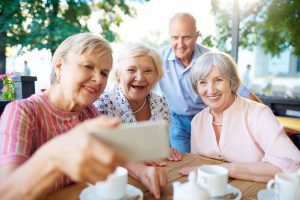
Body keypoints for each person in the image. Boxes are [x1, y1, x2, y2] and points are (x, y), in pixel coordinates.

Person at [0, 33, 166, 200]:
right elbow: (6, 193)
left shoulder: (89, 112)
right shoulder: (21, 111)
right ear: (59, 66)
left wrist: (144, 171)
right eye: (88, 66)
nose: (98, 79)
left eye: (104, 72)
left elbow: (113, 153)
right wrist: (56, 156)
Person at [179, 52, 300, 182]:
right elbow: (198, 166)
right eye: (203, 82)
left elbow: (290, 166)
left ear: (231, 82)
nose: (211, 90)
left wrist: (227, 169)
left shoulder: (259, 114)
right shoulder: (198, 121)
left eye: (218, 80)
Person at [156, 12, 261, 153]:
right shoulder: (157, 59)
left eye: (186, 37)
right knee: (182, 160)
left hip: (207, 118)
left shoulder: (210, 59)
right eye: (175, 37)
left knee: (210, 158)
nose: (180, 44)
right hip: (177, 120)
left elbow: (242, 91)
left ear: (197, 36)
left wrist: (266, 120)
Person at [94, 43, 182, 163]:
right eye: (131, 70)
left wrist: (165, 150)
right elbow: (99, 154)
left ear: (157, 75)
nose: (140, 78)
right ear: (118, 74)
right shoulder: (102, 105)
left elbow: (161, 146)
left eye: (148, 71)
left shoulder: (160, 104)